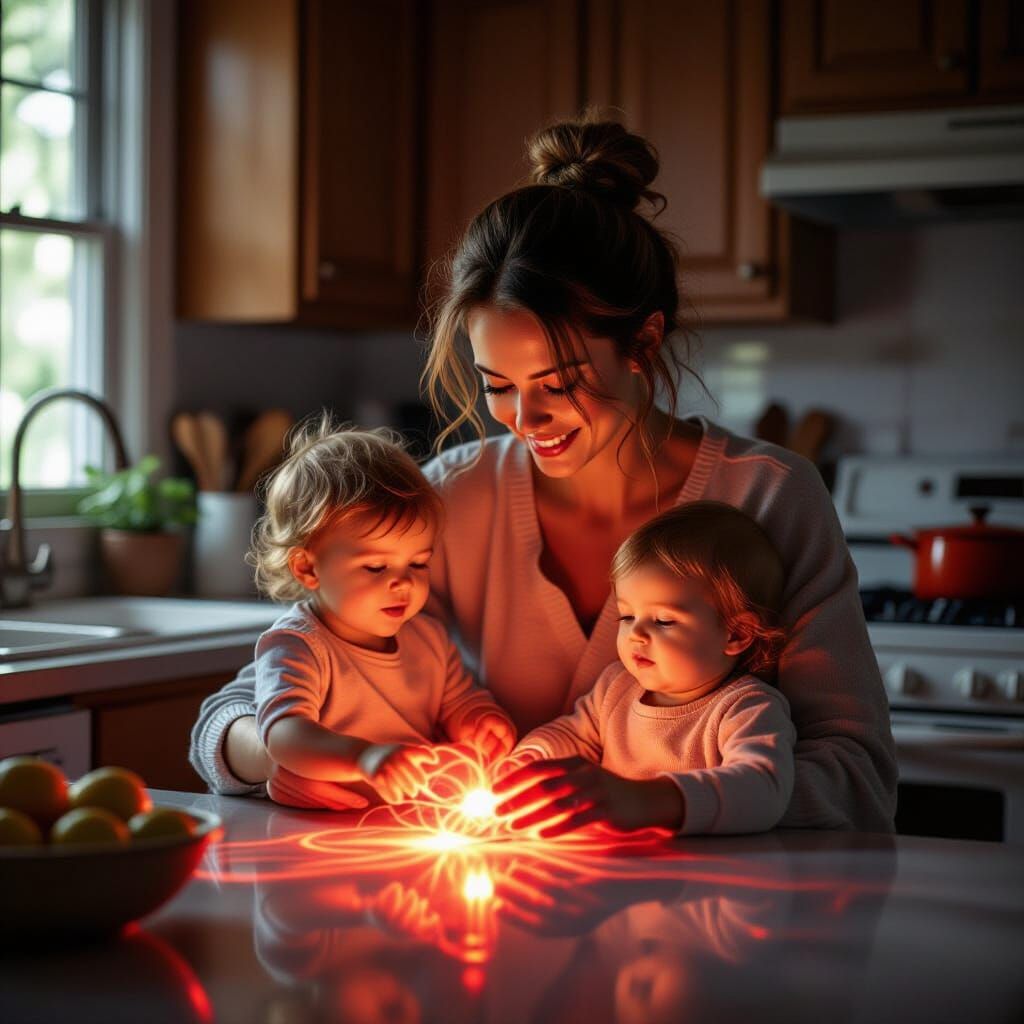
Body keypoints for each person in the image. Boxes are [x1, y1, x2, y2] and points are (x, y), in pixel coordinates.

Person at [190, 113, 897, 832]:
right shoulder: (453, 497)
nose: (526, 420)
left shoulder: (769, 495)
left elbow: (857, 776)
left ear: (643, 341)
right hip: (510, 908)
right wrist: (301, 758)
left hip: (713, 923)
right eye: (498, 384)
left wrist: (657, 802)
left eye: (558, 384)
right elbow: (228, 721)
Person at [243, 419, 515, 807]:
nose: (403, 583)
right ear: (306, 567)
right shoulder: (298, 644)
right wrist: (362, 758)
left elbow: (460, 702)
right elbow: (285, 736)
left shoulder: (428, 638)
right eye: (376, 567)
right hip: (324, 825)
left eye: (418, 564)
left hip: (404, 820)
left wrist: (479, 720)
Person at [493, 502, 795, 836]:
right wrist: (527, 762)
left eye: (664, 620)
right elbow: (571, 735)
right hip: (612, 874)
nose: (635, 634)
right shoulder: (615, 688)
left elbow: (764, 787)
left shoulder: (744, 707)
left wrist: (646, 801)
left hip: (700, 879)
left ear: (736, 634)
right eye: (626, 616)